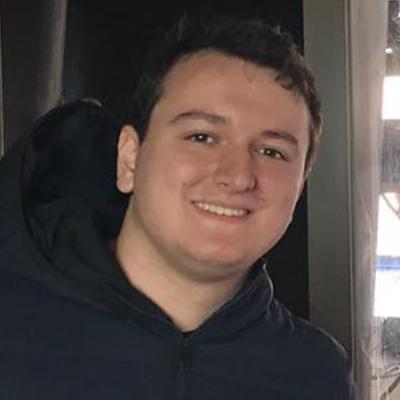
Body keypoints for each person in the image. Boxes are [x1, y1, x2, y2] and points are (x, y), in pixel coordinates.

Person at [0, 13, 357, 399]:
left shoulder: (315, 375)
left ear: (299, 187)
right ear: (129, 160)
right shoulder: (12, 326)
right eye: (202, 137)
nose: (238, 176)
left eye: (272, 152)